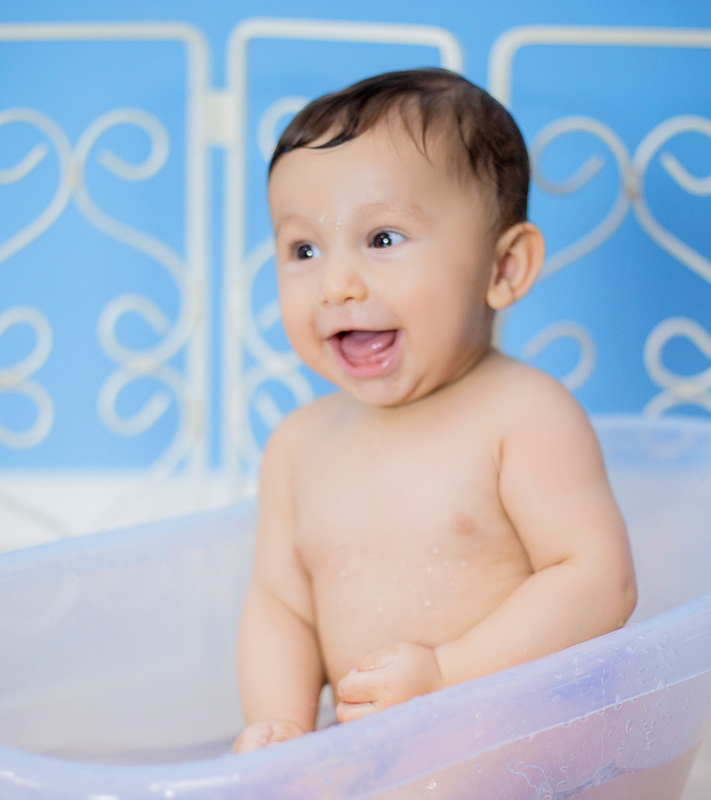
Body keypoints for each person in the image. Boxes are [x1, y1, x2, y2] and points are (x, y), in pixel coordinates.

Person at [233, 68, 637, 753]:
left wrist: (451, 673)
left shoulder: (524, 415)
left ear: (504, 268)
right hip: (371, 761)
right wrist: (284, 730)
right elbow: (281, 608)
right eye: (303, 248)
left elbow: (600, 580)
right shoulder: (298, 445)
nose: (336, 283)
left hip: (516, 755)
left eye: (383, 238)